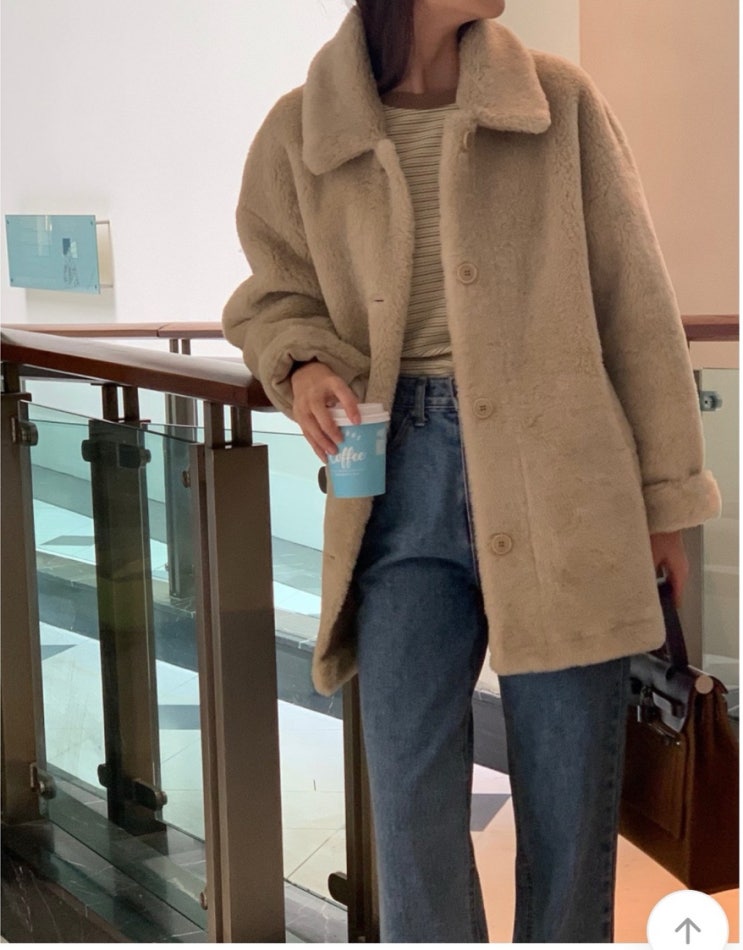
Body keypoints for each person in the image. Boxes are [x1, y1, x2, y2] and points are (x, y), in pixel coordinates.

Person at [223, 0, 722, 941]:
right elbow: (269, 294)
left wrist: (664, 504)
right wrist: (304, 359)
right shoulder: (301, 131)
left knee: (569, 800)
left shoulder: (557, 105)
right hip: (393, 482)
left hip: (563, 477)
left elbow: (635, 304)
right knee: (408, 807)